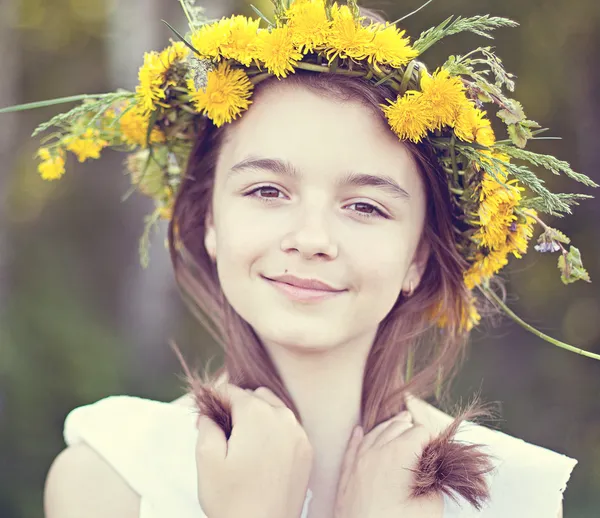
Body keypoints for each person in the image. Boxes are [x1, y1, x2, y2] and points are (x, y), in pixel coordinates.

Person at [2, 1, 594, 517]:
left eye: (364, 206)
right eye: (267, 191)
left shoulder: (512, 496)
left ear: (418, 256)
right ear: (209, 220)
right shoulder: (110, 479)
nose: (311, 238)